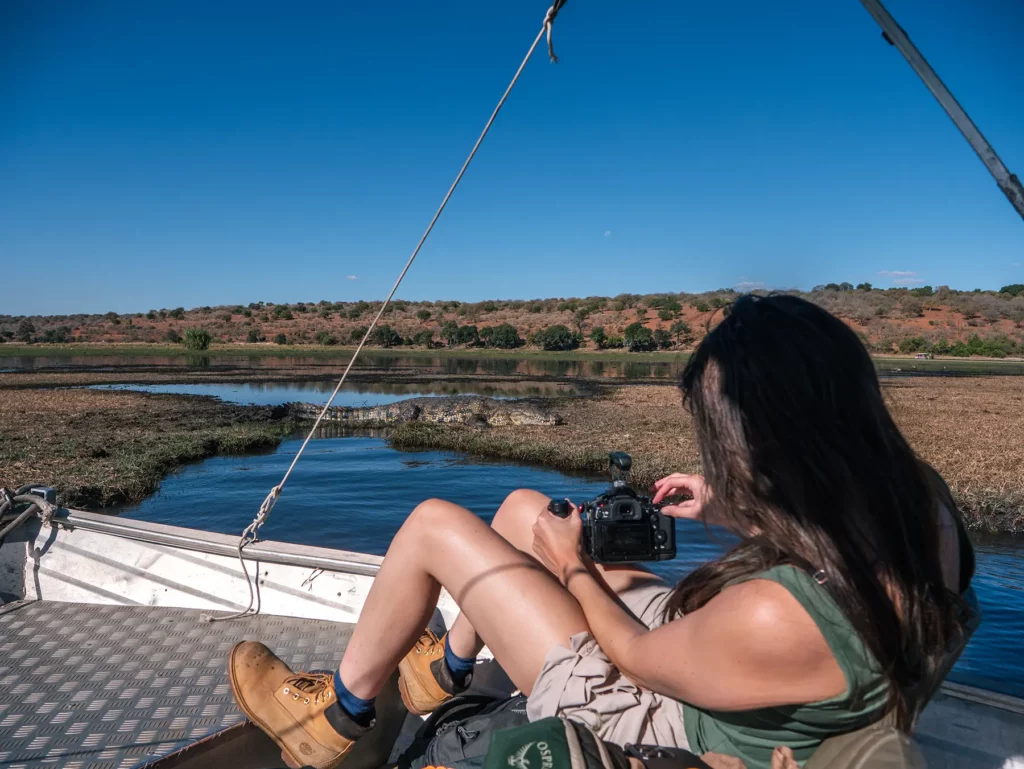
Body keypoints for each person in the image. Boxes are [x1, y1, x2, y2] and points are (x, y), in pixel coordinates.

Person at [227, 294, 974, 769]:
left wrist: (574, 567)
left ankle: (335, 717)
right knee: (523, 510)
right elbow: (829, 523)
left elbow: (638, 660)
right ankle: (444, 672)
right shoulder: (920, 500)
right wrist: (726, 501)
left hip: (652, 709)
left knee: (433, 526)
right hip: (730, 664)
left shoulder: (781, 613)